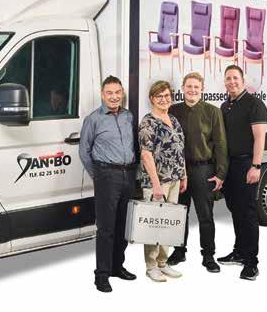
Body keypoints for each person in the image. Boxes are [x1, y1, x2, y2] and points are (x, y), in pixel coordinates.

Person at [79, 76, 137, 293]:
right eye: (109, 93)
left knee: (123, 225)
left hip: (128, 174)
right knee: (106, 229)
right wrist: (98, 175)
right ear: (102, 95)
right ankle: (101, 275)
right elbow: (84, 152)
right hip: (106, 176)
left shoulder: (128, 116)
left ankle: (117, 267)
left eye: (118, 92)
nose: (114, 97)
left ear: (122, 94)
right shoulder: (93, 119)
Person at [166, 72, 228, 273]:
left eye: (196, 87)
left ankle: (208, 255)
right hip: (179, 171)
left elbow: (221, 144)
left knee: (205, 215)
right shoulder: (173, 111)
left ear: (202, 89)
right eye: (189, 86)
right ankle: (179, 251)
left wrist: (221, 174)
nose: (192, 90)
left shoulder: (212, 112)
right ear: (183, 88)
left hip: (203, 170)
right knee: (179, 213)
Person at [218, 65, 267, 280]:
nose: (232, 82)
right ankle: (239, 252)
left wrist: (255, 166)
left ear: (243, 80)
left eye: (235, 78)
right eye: (228, 78)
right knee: (235, 210)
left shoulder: (254, 104)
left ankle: (251, 262)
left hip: (246, 164)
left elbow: (259, 138)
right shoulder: (225, 105)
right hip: (230, 166)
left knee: (248, 213)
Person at [138, 80, 186, 282]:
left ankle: (163, 263)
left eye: (167, 95)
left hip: (174, 179)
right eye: (159, 96)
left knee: (168, 224)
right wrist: (156, 185)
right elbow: (146, 154)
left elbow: (179, 149)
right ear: (152, 99)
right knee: (154, 224)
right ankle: (151, 266)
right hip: (157, 183)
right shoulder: (148, 122)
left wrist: (183, 175)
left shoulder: (173, 119)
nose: (164, 99)